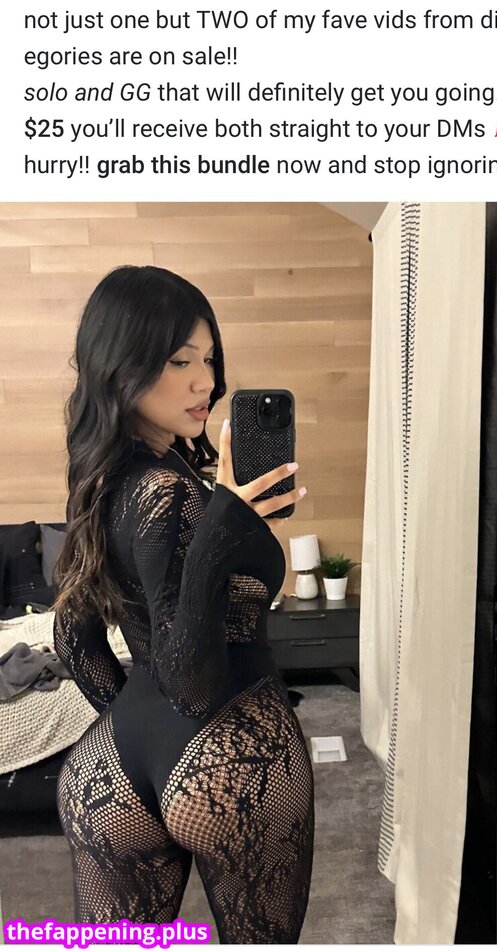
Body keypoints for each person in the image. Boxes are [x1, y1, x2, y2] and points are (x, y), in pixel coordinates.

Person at [53, 265, 314, 943]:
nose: (206, 383)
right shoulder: (172, 491)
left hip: (108, 768)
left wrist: (138, 726)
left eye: (210, 359)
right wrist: (225, 524)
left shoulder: (101, 479)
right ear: (121, 367)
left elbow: (74, 642)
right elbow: (193, 689)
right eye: (180, 361)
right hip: (233, 753)